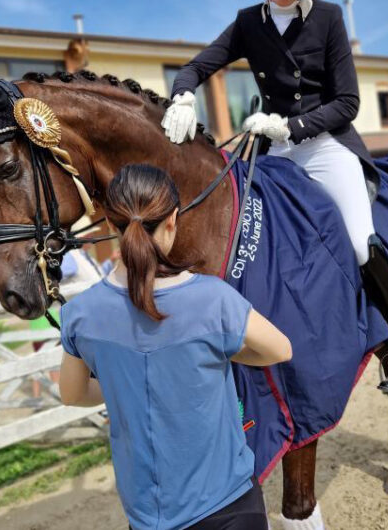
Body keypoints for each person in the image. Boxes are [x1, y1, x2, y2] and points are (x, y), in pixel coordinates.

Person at [161, 0, 388, 399]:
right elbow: (196, 67)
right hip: (274, 148)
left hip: (324, 144)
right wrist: (182, 96)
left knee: (358, 240)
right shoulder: (249, 21)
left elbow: (347, 102)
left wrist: (291, 127)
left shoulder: (329, 16)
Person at [59, 164, 292, 530]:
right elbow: (280, 350)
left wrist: (127, 378)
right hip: (227, 500)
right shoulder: (213, 299)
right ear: (172, 220)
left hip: (146, 514)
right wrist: (223, 351)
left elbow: (72, 394)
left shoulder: (79, 314)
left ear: (109, 225)